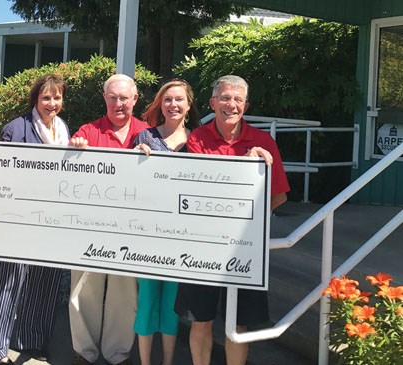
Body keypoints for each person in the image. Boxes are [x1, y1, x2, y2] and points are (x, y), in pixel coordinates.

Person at [174, 75, 290, 365]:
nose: (231, 104)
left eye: (238, 100)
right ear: (213, 103)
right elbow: (202, 189)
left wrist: (250, 226)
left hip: (244, 250)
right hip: (204, 247)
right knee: (201, 321)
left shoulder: (264, 142)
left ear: (246, 106)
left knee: (238, 325)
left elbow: (278, 196)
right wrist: (246, 166)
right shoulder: (197, 139)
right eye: (225, 98)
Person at [0, 74, 69, 365]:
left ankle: (31, 340)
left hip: (51, 221)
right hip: (17, 220)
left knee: (45, 281)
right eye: (46, 98)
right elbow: (0, 173)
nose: (52, 103)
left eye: (57, 98)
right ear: (35, 100)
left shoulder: (64, 130)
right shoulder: (16, 128)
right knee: (9, 282)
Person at [68, 74, 148, 365]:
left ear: (135, 99)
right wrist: (73, 152)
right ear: (104, 98)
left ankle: (118, 354)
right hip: (90, 226)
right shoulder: (87, 132)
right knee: (84, 289)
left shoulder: (148, 133)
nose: (118, 103)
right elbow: (65, 176)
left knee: (124, 292)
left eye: (124, 98)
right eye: (113, 97)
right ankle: (83, 352)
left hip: (130, 230)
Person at [132, 79, 200, 365]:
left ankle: (167, 362)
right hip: (147, 234)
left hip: (182, 236)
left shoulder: (198, 140)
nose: (173, 105)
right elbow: (130, 185)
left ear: (188, 105)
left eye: (179, 100)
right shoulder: (145, 138)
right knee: (146, 300)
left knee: (173, 303)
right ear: (160, 104)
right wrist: (133, 160)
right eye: (168, 99)